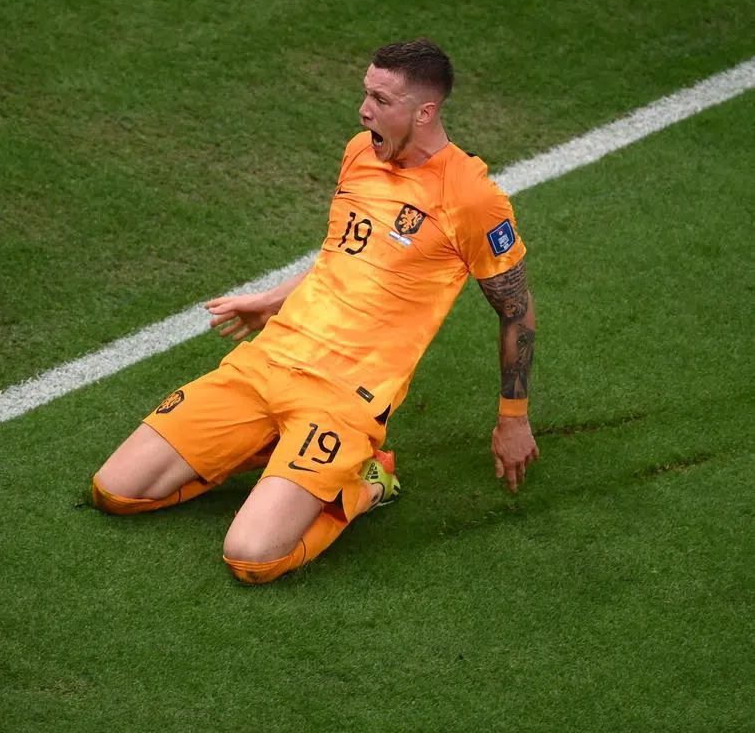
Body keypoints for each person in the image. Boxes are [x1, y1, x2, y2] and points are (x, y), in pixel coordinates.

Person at [92, 38, 539, 584]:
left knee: (251, 557)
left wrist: (512, 419)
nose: (364, 110)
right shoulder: (359, 153)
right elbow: (344, 256)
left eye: (379, 99)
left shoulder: (470, 199)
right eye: (364, 94)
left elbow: (515, 310)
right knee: (115, 489)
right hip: (268, 362)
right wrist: (273, 299)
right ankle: (269, 450)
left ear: (424, 112)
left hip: (344, 400)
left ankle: (367, 480)